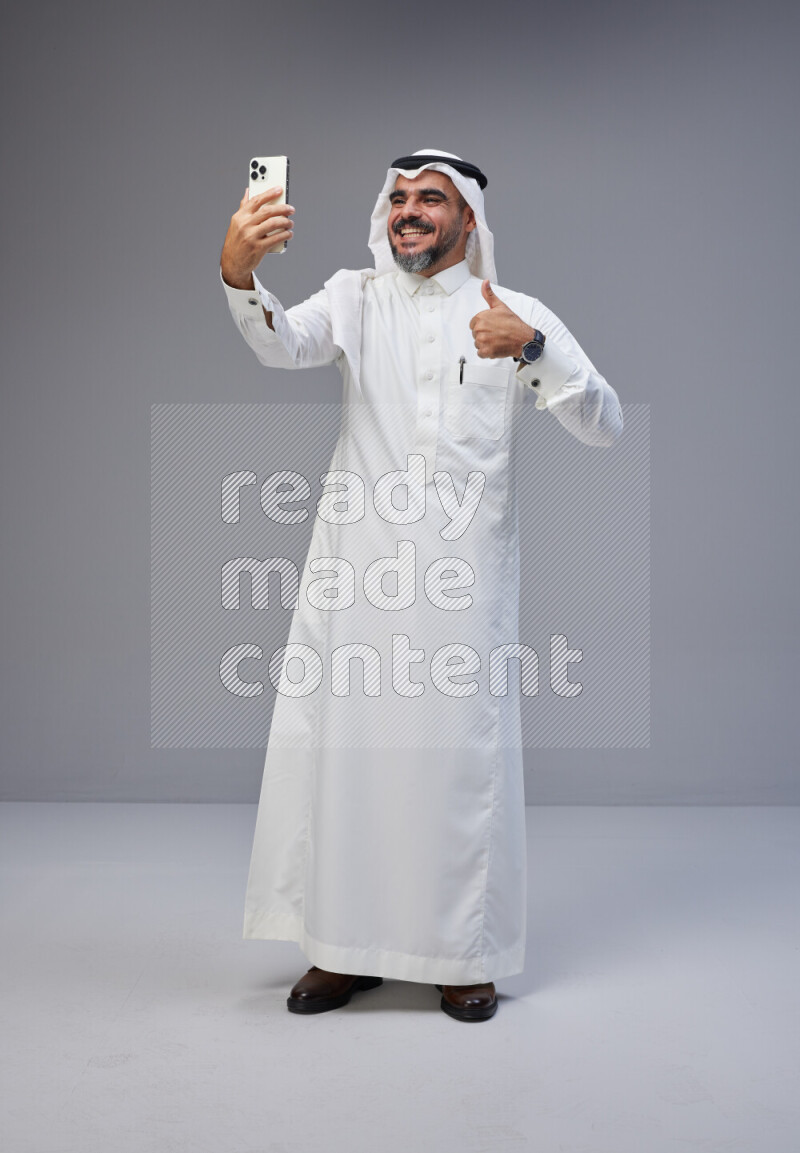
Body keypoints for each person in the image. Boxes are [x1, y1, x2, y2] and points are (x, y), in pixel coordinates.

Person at [220, 149, 623, 1022]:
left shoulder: (516, 311)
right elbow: (284, 343)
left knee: (453, 768)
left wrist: (534, 352)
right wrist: (240, 275)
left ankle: (459, 955)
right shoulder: (354, 299)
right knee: (349, 762)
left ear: (467, 219)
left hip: (462, 586)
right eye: (398, 197)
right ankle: (339, 948)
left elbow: (605, 423)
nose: (409, 210)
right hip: (359, 575)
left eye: (430, 199)